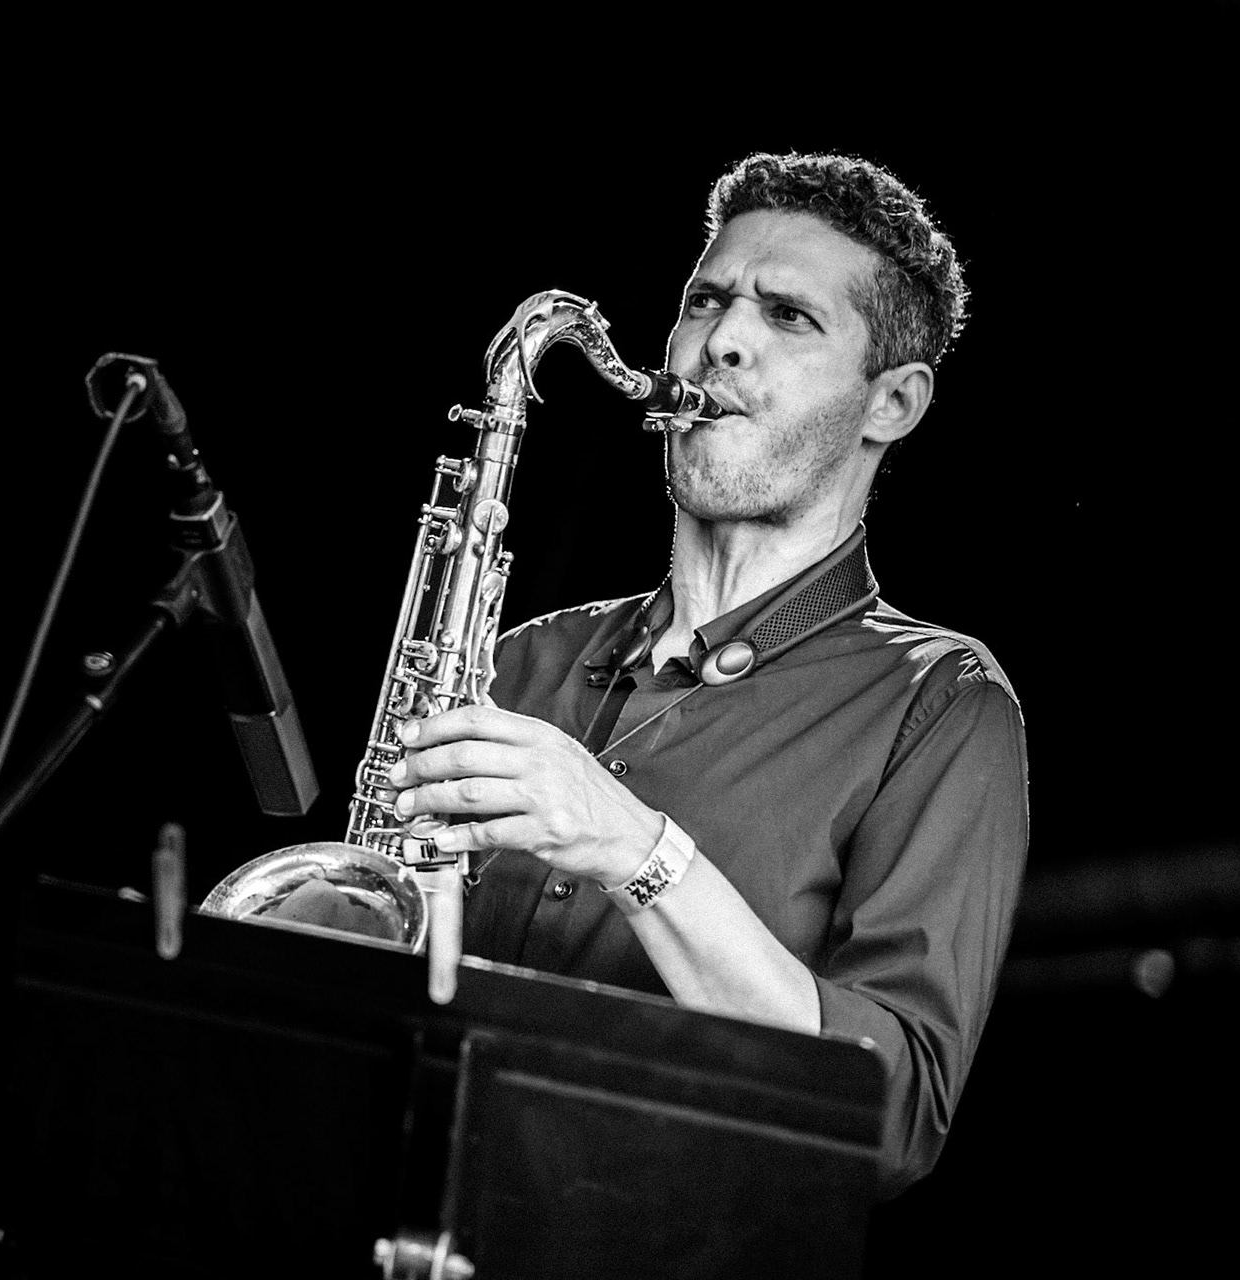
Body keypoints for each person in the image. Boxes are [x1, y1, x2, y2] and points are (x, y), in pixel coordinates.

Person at [383, 152, 1028, 1198]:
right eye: (707, 300)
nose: (720, 339)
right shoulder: (518, 659)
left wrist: (635, 845)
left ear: (893, 402)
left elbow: (892, 1110)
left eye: (788, 317)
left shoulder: (944, 703)